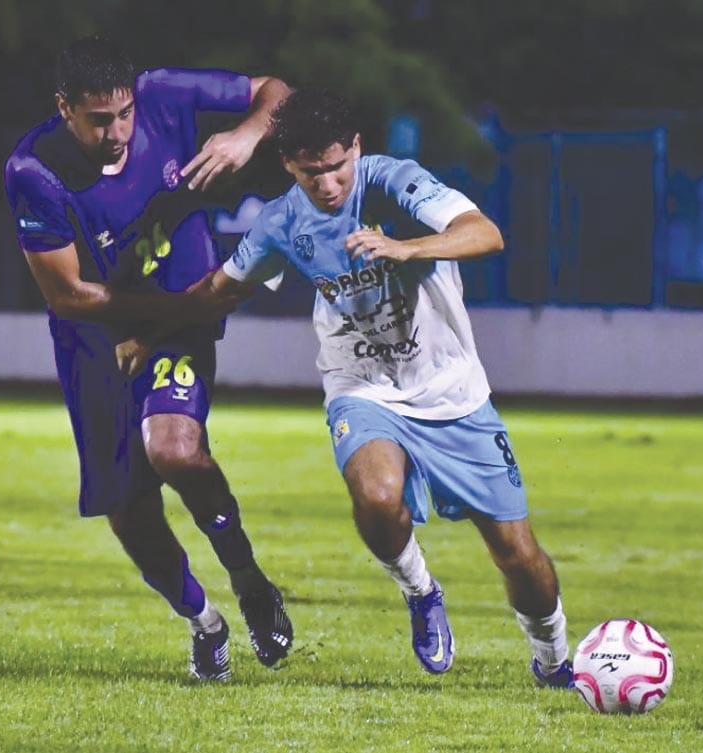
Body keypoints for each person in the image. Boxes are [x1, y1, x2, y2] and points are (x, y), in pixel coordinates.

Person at [122, 87, 574, 685]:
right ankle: (420, 590)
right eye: (312, 173)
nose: (329, 183)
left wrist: (405, 247)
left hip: (452, 390)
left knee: (517, 553)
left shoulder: (393, 182)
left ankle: (554, 658)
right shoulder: (282, 221)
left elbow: (484, 232)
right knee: (378, 497)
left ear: (355, 148)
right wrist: (150, 333)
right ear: (289, 164)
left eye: (337, 166)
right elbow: (219, 290)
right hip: (360, 385)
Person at [4, 35, 293, 682]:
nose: (117, 133)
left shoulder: (163, 94)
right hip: (97, 339)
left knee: (174, 450)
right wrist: (178, 308)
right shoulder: (34, 171)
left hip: (177, 319)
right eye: (98, 119)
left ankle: (249, 579)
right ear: (64, 107)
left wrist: (246, 135)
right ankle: (205, 622)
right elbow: (69, 295)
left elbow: (277, 92)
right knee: (129, 512)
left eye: (124, 114)